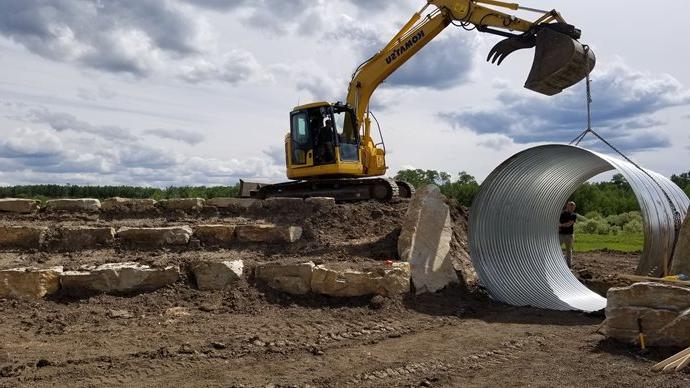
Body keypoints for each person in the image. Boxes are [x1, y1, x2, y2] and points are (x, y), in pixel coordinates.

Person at [558, 201, 577, 267]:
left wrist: (560, 225)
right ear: (567, 206)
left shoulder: (573, 215)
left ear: (574, 208)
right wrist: (560, 225)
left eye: (573, 207)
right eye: (570, 206)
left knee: (568, 250)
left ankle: (569, 265)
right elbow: (557, 221)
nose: (571, 208)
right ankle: (557, 262)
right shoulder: (561, 213)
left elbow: (569, 224)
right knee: (556, 248)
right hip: (560, 234)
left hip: (569, 235)